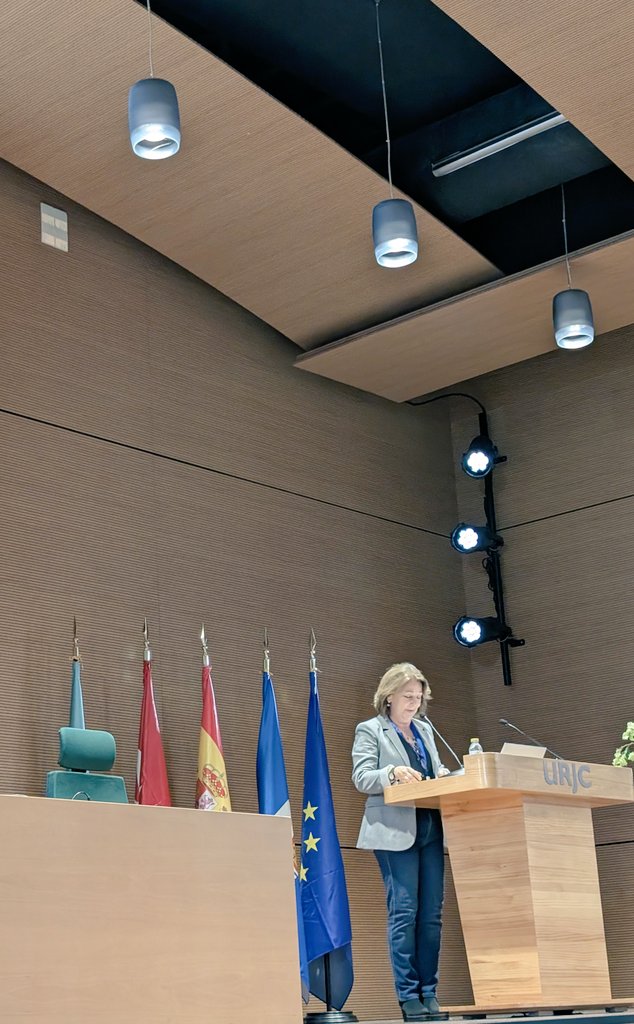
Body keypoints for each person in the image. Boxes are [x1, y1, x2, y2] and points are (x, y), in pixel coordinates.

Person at [351, 663, 447, 1022]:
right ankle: (408, 995)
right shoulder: (371, 730)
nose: (413, 704)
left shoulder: (424, 730)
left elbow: (434, 773)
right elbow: (361, 777)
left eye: (419, 698)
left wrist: (442, 777)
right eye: (407, 697)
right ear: (388, 695)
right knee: (404, 913)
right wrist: (391, 772)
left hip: (430, 826)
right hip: (394, 831)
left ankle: (429, 990)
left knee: (432, 916)